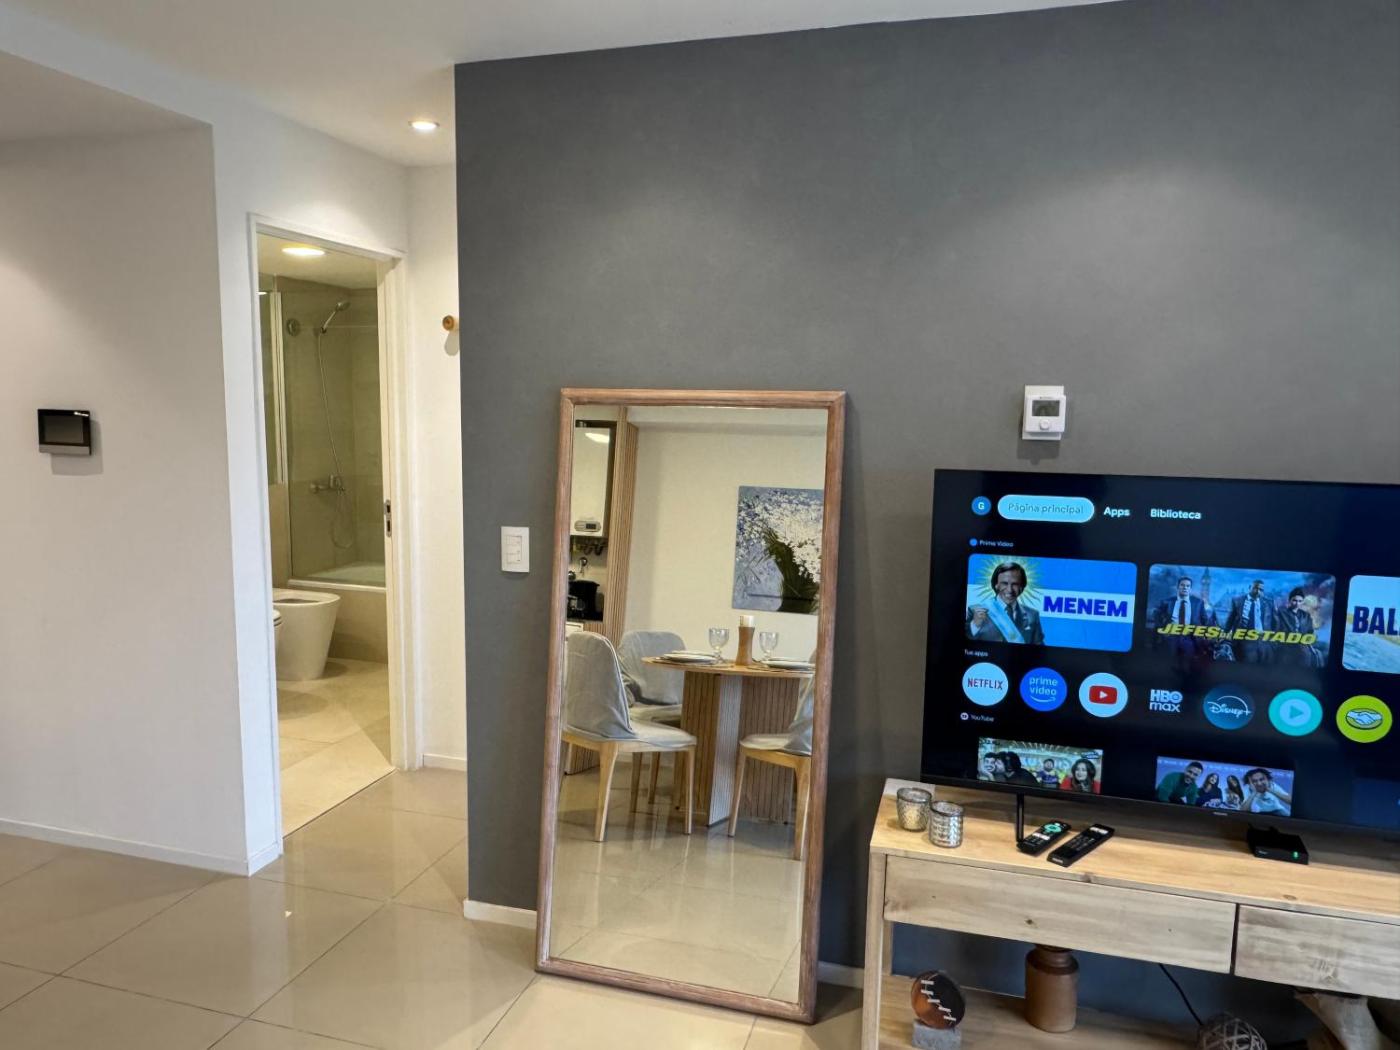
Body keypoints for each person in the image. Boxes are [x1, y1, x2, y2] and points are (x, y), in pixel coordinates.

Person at [966, 562, 1044, 645]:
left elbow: (1039, 648)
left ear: (1021, 587)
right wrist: (975, 625)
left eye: (1015, 584)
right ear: (996, 585)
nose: (1010, 590)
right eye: (1004, 583)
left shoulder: (1032, 615)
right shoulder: (974, 611)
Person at [1224, 580, 1277, 663]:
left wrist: (1273, 641)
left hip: (1264, 641)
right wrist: (1224, 634)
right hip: (1245, 640)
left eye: (1261, 590)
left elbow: (1276, 622)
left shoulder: (1269, 602)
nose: (1258, 592)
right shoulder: (1237, 601)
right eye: (1255, 588)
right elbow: (1230, 619)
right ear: (1250, 587)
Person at [1276, 587, 1323, 668]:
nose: (1297, 603)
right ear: (1290, 600)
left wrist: (1307, 641)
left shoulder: (1306, 616)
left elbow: (1310, 631)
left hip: (1303, 644)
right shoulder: (1282, 613)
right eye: (1294, 600)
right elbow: (1277, 629)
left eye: (1300, 601)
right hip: (1286, 644)